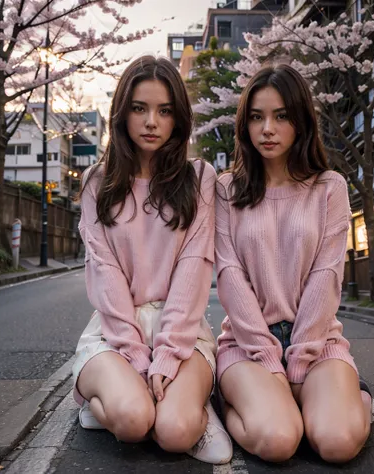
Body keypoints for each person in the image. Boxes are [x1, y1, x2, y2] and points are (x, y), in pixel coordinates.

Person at [72, 55, 232, 465]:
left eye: (164, 111)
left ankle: (193, 404)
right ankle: (103, 400)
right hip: (112, 333)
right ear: (122, 114)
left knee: (175, 432)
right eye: (139, 109)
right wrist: (136, 355)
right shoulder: (98, 181)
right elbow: (105, 275)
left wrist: (165, 354)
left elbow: (194, 270)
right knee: (132, 421)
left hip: (182, 333)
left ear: (178, 119)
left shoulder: (200, 178)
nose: (151, 122)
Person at [215, 64, 372, 464]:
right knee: (280, 441)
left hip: (318, 342)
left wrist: (298, 364)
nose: (267, 128)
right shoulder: (226, 189)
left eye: (281, 116)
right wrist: (270, 361)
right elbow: (229, 276)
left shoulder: (328, 188)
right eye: (256, 117)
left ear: (300, 121)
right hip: (247, 344)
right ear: (244, 125)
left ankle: (354, 399)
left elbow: (327, 275)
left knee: (336, 443)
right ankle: (220, 408)